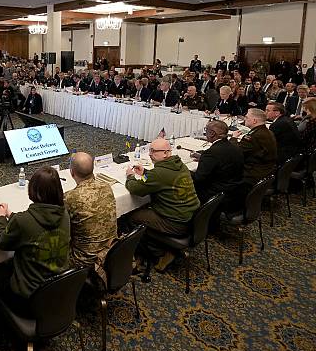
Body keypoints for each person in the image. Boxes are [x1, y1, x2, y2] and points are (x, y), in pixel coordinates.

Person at [0, 166, 70, 313]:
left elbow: (1, 241)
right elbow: (31, 223)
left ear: (33, 191)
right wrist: (12, 214)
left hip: (29, 299)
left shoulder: (23, 221)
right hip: (59, 289)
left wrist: (1, 218)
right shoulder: (65, 214)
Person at [123, 138, 199, 269]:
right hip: (189, 217)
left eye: (153, 151)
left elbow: (136, 189)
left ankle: (156, 253)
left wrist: (130, 176)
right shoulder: (179, 164)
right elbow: (160, 180)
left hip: (175, 222)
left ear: (165, 153)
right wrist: (145, 173)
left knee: (130, 217)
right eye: (149, 150)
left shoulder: (159, 173)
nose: (149, 154)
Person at [63, 152, 117, 285]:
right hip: (111, 252)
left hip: (84, 260)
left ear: (71, 172)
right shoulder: (106, 187)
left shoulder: (70, 197)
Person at [190, 120, 243, 204]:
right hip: (235, 191)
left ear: (212, 133)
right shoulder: (235, 145)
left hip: (217, 195)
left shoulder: (211, 153)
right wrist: (204, 159)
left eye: (206, 130)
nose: (205, 133)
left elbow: (198, 179)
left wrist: (185, 171)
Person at [232, 109, 277, 187]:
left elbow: (235, 153)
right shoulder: (268, 132)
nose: (244, 119)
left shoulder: (252, 137)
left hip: (252, 174)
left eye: (246, 117)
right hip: (266, 171)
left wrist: (233, 139)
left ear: (254, 121)